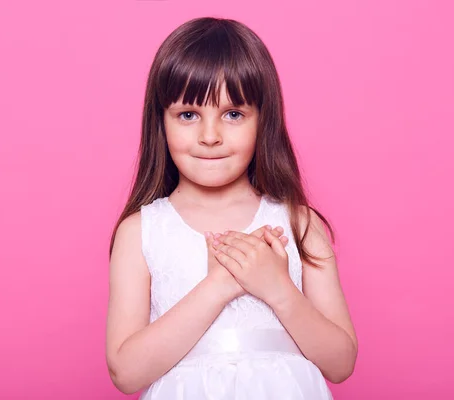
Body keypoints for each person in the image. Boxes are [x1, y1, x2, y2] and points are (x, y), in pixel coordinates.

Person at [106, 16, 357, 399]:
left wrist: (277, 288)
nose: (210, 136)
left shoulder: (297, 223)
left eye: (233, 114)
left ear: (263, 121)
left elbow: (340, 363)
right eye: (188, 115)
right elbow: (126, 372)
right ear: (162, 121)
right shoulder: (141, 231)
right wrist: (219, 286)